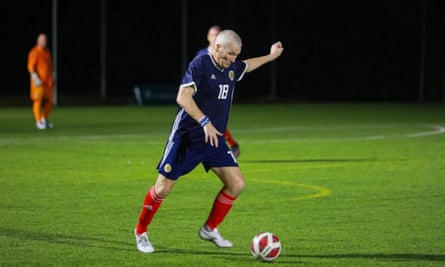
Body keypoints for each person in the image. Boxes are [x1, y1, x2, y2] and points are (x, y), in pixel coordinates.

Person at [134, 29, 284, 253]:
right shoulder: (200, 64)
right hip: (187, 138)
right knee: (162, 188)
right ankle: (141, 231)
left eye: (236, 55)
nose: (233, 59)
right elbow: (182, 97)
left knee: (236, 184)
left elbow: (247, 65)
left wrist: (271, 56)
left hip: (214, 140)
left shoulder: (232, 67)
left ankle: (209, 229)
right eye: (229, 54)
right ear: (216, 48)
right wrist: (204, 121)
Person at [196, 25, 241, 158]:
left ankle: (222, 148)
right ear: (208, 37)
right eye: (213, 35)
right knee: (206, 121)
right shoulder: (202, 54)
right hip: (203, 94)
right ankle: (230, 145)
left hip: (218, 93)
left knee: (212, 121)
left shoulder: (227, 54)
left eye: (218, 34)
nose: (215, 37)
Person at [27, 33, 54, 130]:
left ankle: (44, 119)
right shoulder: (34, 52)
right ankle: (38, 121)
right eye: (42, 40)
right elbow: (30, 67)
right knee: (38, 100)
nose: (44, 42)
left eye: (45, 40)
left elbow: (48, 65)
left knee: (50, 101)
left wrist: (52, 75)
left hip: (48, 82)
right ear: (38, 41)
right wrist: (35, 77)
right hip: (38, 82)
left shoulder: (47, 51)